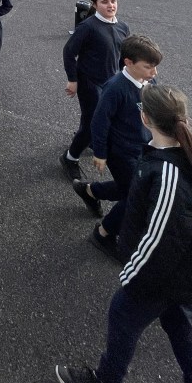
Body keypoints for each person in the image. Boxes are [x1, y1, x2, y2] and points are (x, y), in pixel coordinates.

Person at [56, 84, 192, 383]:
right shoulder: (186, 152)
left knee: (123, 314)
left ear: (144, 118)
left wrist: (131, 273)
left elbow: (162, 237)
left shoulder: (167, 174)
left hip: (163, 277)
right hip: (185, 274)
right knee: (180, 329)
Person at [73, 35, 162, 258]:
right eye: (148, 67)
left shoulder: (149, 82)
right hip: (120, 153)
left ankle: (90, 191)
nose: (154, 72)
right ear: (128, 62)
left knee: (127, 188)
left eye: (155, 66)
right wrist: (100, 153)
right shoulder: (115, 87)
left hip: (142, 148)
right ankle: (103, 233)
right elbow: (99, 121)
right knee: (136, 195)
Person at [60, 0, 130, 183]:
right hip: (89, 82)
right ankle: (70, 158)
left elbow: (122, 56)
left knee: (95, 121)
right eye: (104, 2)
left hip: (110, 83)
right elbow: (69, 52)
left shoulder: (123, 27)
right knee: (94, 124)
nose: (110, 5)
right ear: (94, 4)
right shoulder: (88, 27)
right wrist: (72, 80)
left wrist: (126, 78)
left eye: (113, 1)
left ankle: (86, 139)